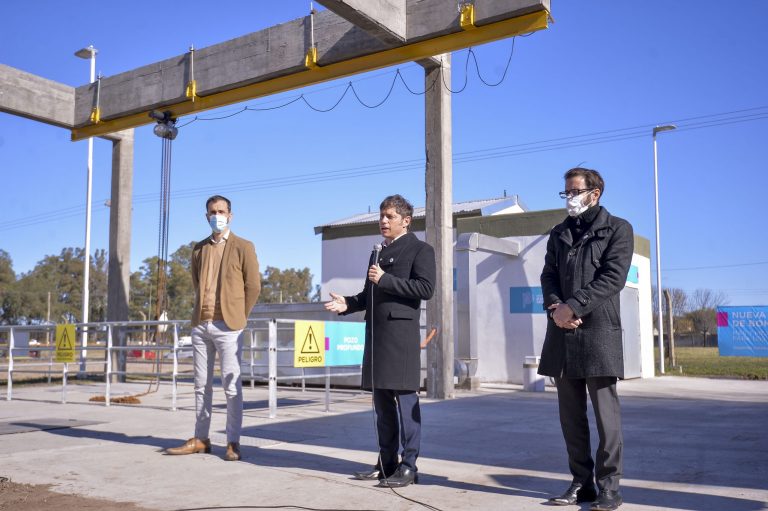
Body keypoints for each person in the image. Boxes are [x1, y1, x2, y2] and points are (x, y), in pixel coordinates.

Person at [539, 168, 634, 511]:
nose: (570, 198)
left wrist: (574, 306)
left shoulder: (618, 229)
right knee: (570, 416)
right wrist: (556, 308)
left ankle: (610, 487)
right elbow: (548, 274)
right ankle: (582, 483)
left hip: (598, 333)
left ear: (595, 193)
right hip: (563, 334)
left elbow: (613, 278)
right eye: (565, 192)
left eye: (575, 191)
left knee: (607, 417)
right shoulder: (558, 233)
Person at [325, 194, 435, 488]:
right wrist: (346, 304)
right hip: (377, 337)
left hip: (400, 339)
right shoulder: (376, 254)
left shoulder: (420, 250)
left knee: (406, 404)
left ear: (406, 221)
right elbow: (368, 295)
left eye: (390, 217)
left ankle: (409, 466)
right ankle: (387, 464)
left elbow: (425, 288)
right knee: (382, 405)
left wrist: (384, 279)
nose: (383, 221)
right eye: (381, 217)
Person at [167, 195, 261, 461]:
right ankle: (201, 438)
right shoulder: (199, 249)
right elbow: (197, 283)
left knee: (231, 387)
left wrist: (239, 316)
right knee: (201, 386)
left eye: (221, 211)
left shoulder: (243, 246)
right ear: (206, 216)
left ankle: (233, 442)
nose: (216, 215)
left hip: (229, 326)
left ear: (230, 215)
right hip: (201, 325)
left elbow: (253, 286)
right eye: (212, 212)